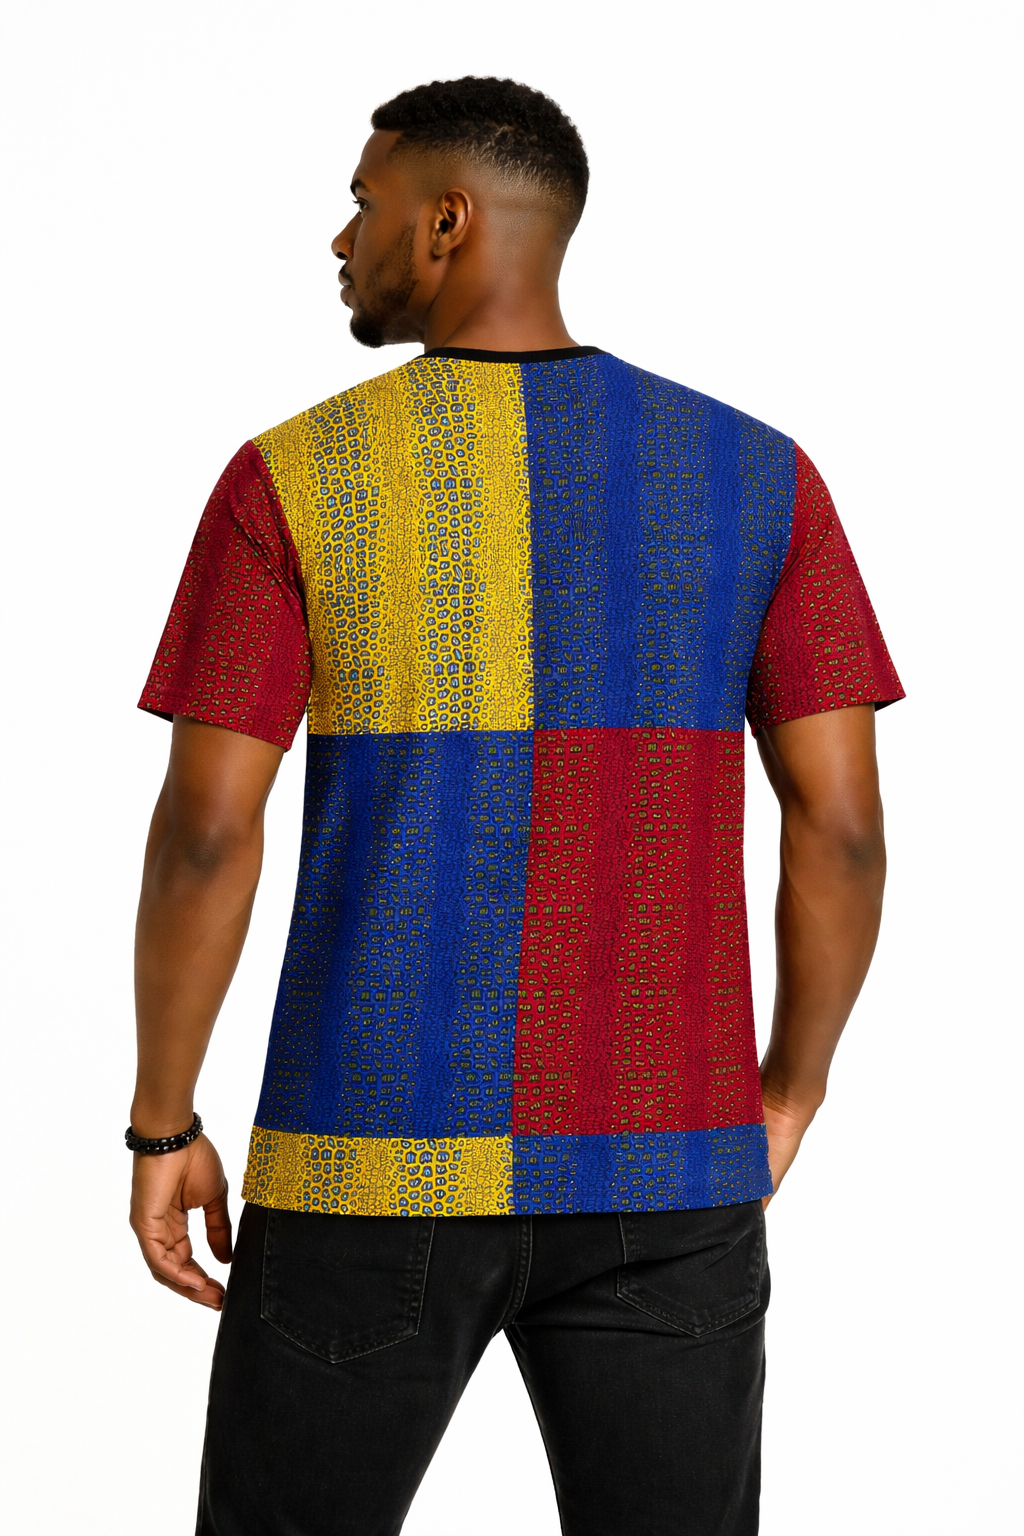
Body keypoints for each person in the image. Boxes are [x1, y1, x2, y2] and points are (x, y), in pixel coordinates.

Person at [129, 76, 903, 1536]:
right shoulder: (758, 477)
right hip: (669, 1163)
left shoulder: (294, 479)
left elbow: (207, 835)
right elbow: (845, 832)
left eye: (362, 204)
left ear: (446, 221)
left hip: (365, 1156)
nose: (341, 238)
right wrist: (786, 1091)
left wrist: (162, 1126)